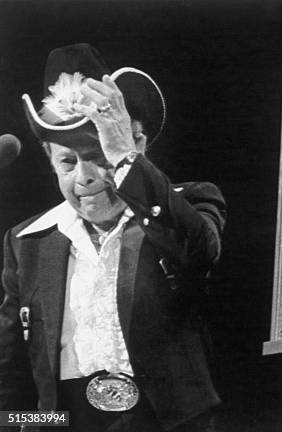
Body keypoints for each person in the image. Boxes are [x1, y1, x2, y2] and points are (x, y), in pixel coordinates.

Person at [0, 44, 226, 431]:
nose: (84, 178)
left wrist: (123, 156)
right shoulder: (26, 242)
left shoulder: (186, 204)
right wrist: (38, 425)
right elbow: (11, 380)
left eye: (100, 156)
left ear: (136, 145)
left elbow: (199, 250)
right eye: (67, 162)